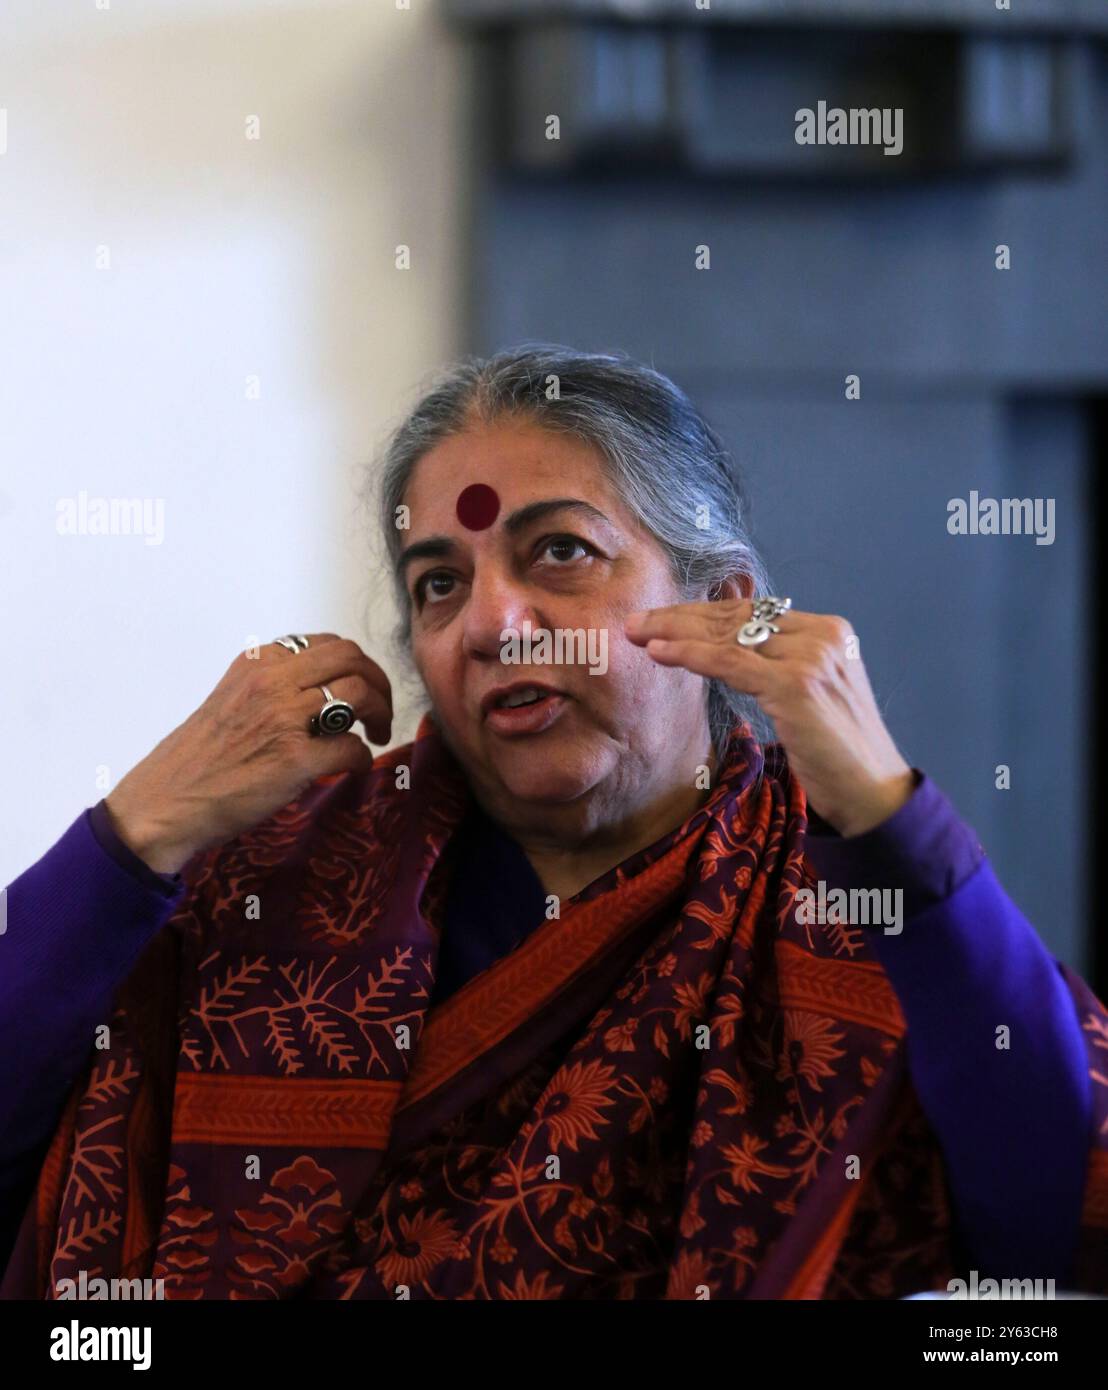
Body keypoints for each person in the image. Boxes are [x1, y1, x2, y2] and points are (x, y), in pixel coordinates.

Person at [2, 345, 1106, 1300]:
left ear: (723, 608)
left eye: (560, 553)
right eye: (438, 582)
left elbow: (1052, 1209)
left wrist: (885, 817)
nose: (489, 621)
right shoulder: (277, 875)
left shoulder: (844, 905)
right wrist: (135, 832)